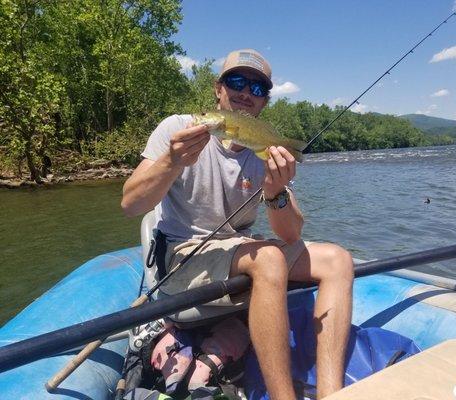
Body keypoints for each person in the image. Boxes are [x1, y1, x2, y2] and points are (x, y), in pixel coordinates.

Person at [121, 48, 354, 400]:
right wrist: (171, 160)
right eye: (237, 81)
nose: (246, 92)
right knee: (270, 259)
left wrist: (275, 191)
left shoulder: (263, 150)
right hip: (185, 254)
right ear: (218, 90)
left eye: (257, 88)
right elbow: (130, 204)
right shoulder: (176, 128)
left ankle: (334, 393)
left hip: (238, 249)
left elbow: (290, 233)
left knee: (338, 260)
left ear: (263, 104)